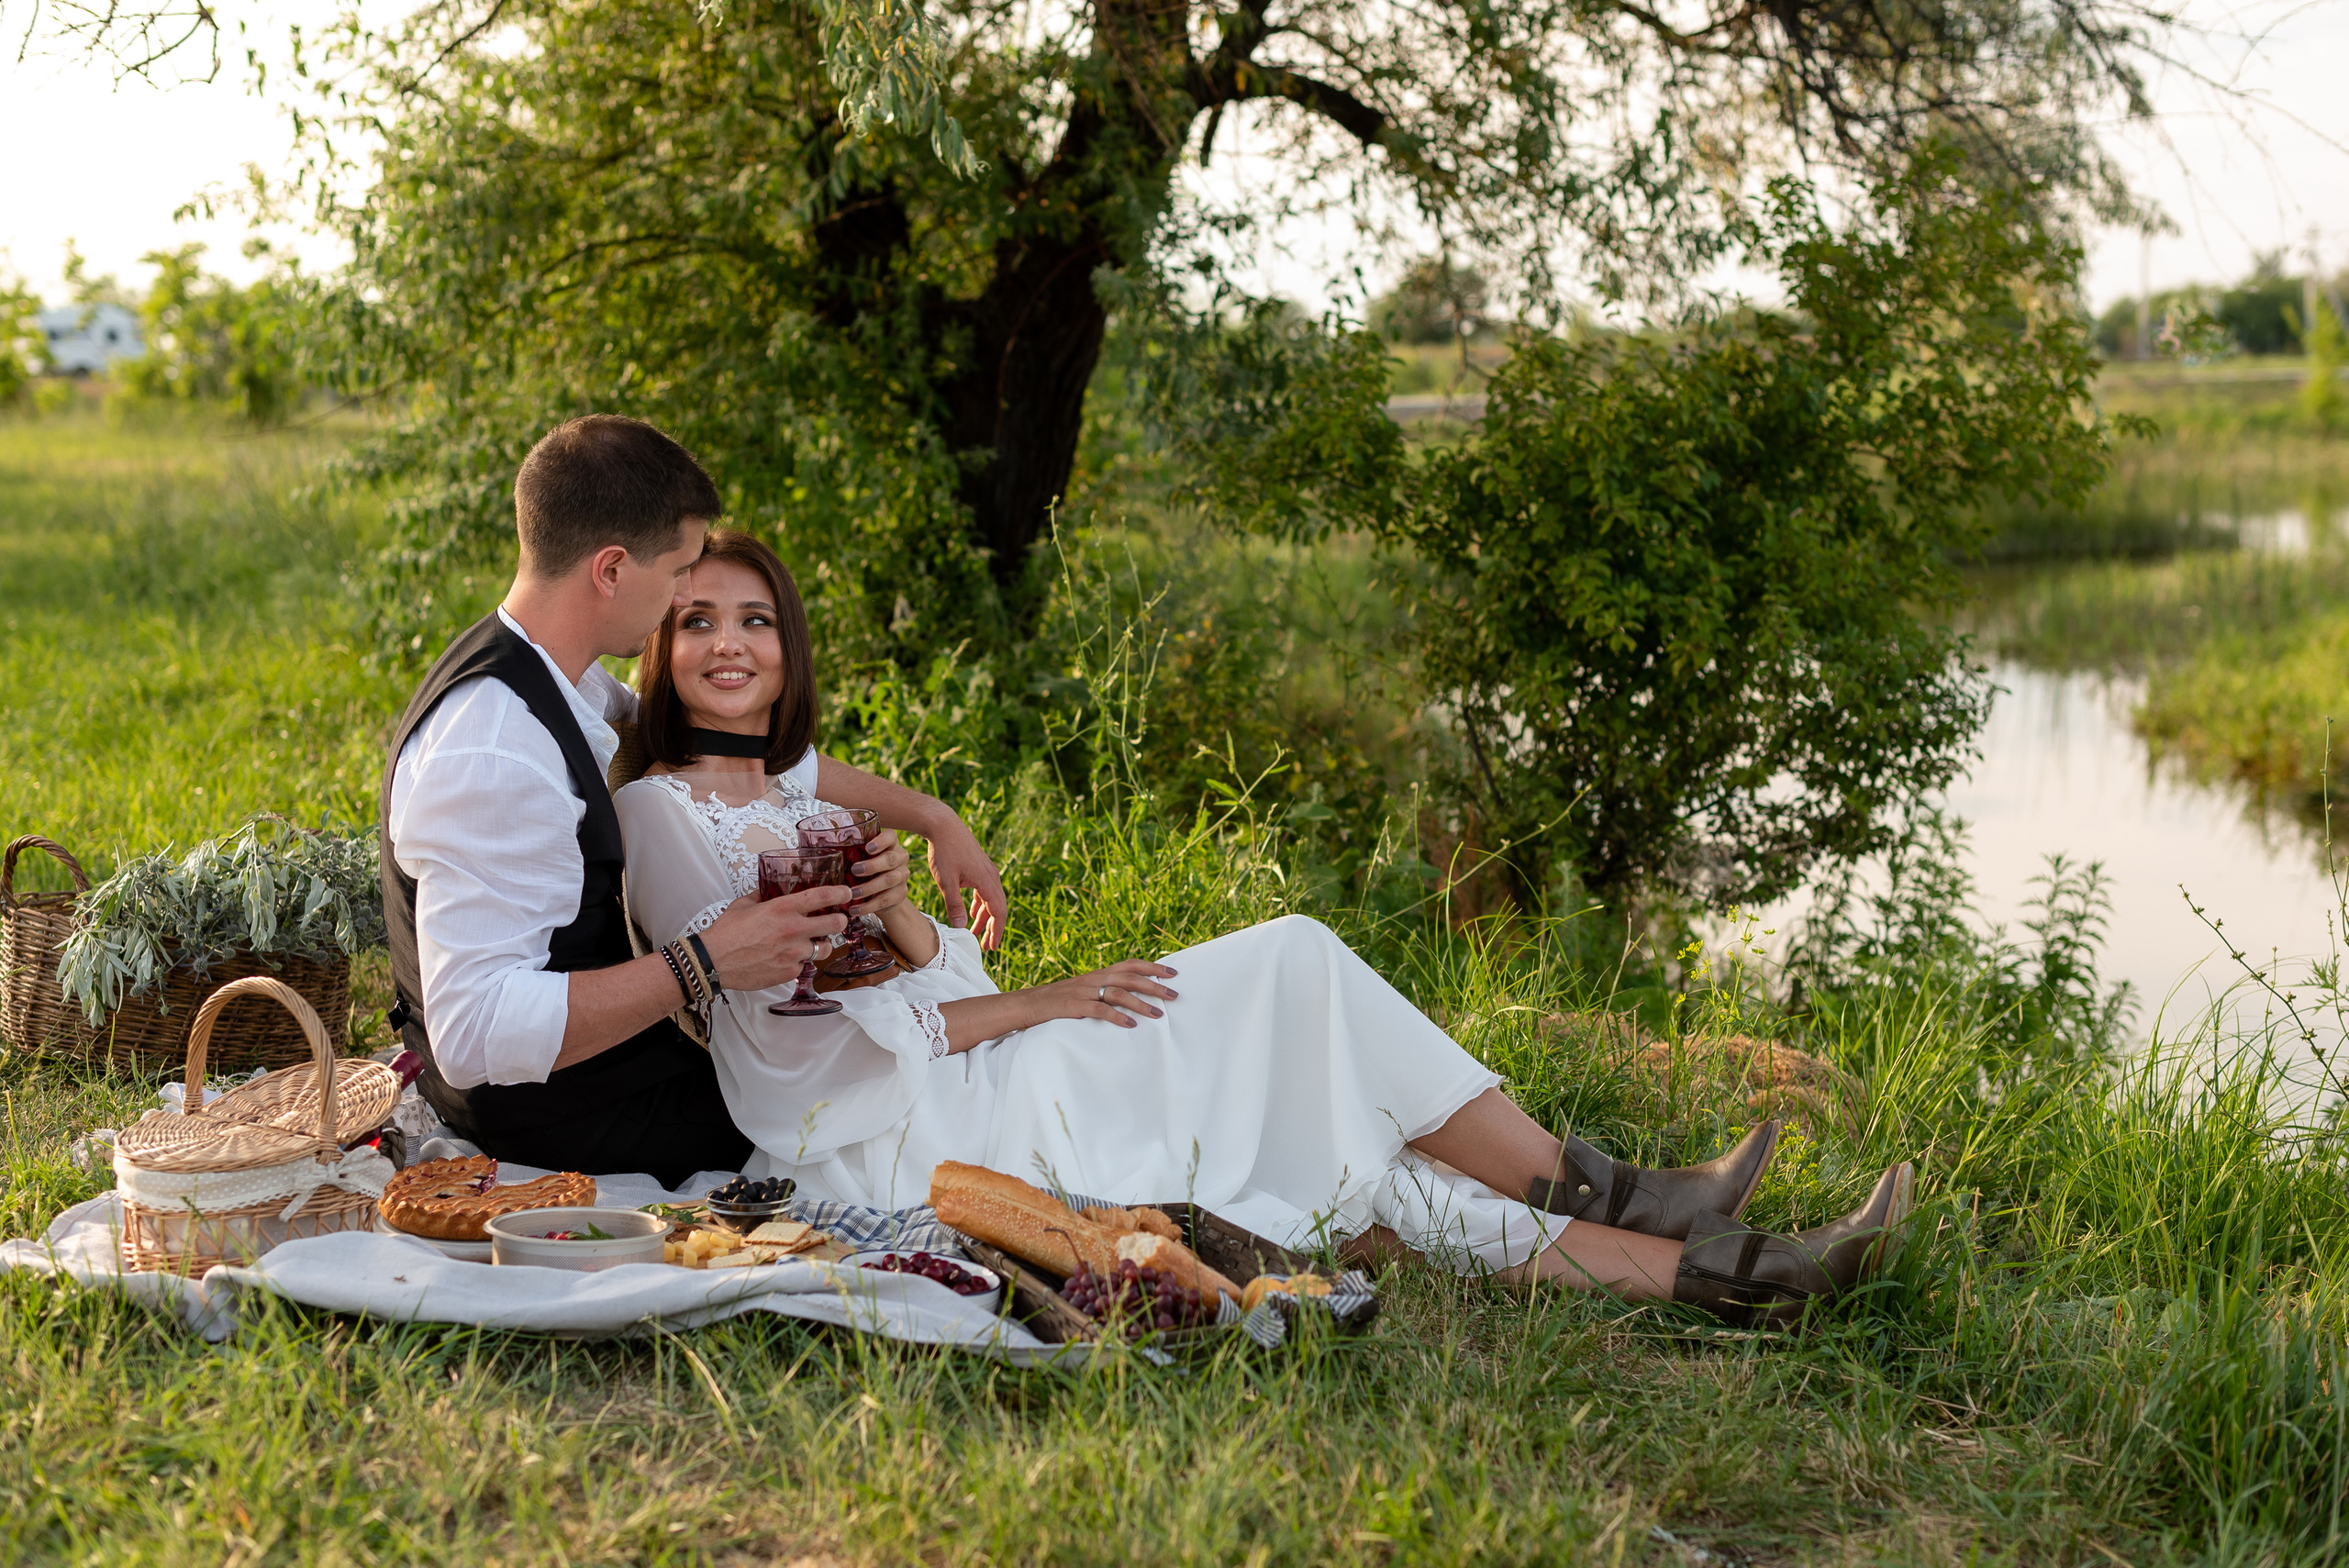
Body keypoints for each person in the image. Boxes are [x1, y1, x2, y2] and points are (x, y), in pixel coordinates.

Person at [616, 530, 1917, 1321]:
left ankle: (1737, 1278)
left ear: (790, 645)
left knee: (1354, 1168)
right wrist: (1039, 998)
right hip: (906, 1134)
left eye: (758, 619)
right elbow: (806, 1063)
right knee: (1291, 959)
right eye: (700, 620)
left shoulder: (776, 784)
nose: (734, 643)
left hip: (960, 1064)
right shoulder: (670, 817)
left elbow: (874, 907)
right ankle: (1620, 1190)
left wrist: (930, 857)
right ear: (659, 645)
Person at [381, 416, 1009, 1188]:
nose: (687, 592)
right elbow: (473, 1033)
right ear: (611, 569)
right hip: (553, 1111)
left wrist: (932, 816)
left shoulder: (554, 673)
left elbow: (748, 748)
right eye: (679, 572)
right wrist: (702, 963)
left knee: (904, 1083)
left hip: (614, 1068)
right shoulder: (496, 750)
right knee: (855, 1126)